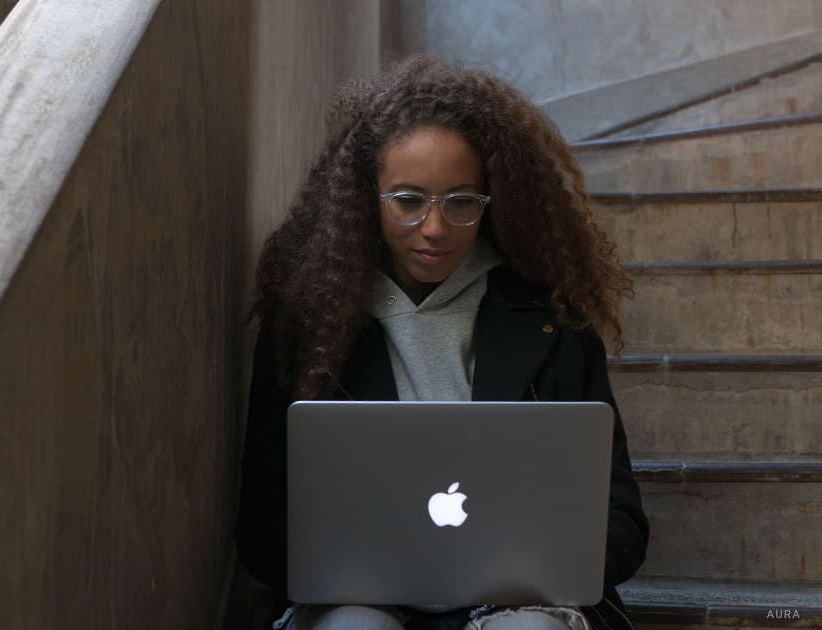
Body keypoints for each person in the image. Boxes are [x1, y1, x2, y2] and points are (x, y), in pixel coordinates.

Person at [234, 54, 649, 630]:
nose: (434, 228)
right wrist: (345, 570)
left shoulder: (554, 323)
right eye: (408, 201)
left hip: (519, 602)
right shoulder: (309, 326)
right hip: (360, 601)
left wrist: (551, 565)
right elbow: (260, 526)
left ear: (491, 200)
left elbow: (622, 517)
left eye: (460, 202)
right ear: (366, 197)